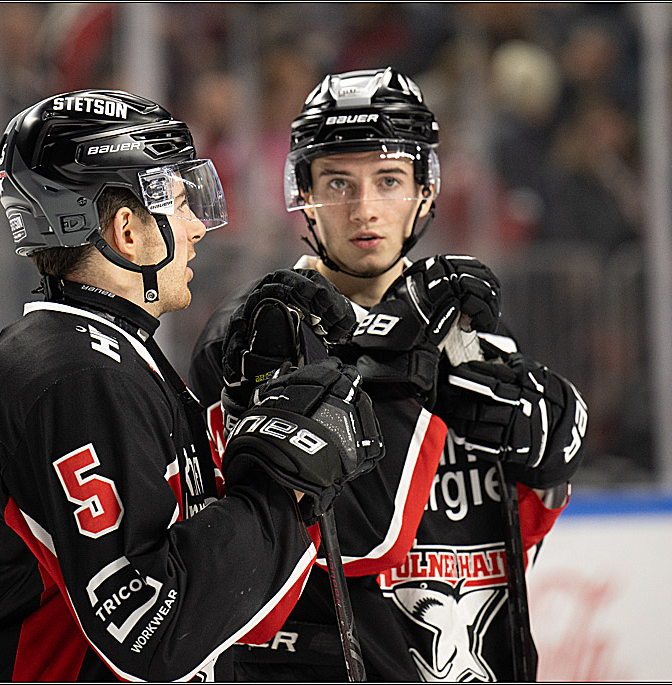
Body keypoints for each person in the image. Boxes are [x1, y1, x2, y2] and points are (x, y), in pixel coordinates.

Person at [0, 89, 385, 682]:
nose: (196, 225)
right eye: (173, 198)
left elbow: (165, 523)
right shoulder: (81, 378)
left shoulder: (87, 352)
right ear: (124, 231)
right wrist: (277, 491)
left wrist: (245, 402)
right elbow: (146, 625)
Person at [189, 67, 588, 681]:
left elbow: (510, 528)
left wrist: (550, 464)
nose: (365, 208)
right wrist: (400, 349)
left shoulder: (472, 328)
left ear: (425, 190)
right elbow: (330, 536)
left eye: (389, 180)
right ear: (304, 191)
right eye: (339, 182)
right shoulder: (255, 334)